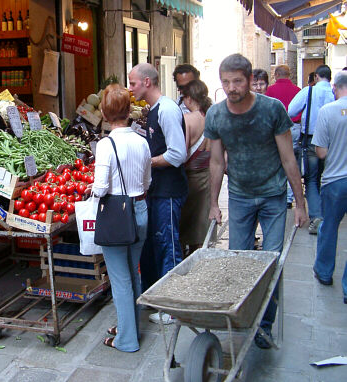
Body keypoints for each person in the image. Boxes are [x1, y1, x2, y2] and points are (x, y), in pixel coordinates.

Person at [205, 54, 307, 349]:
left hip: (273, 194)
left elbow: (288, 158)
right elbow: (215, 162)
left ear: (250, 80)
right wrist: (214, 203)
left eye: (237, 81)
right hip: (239, 194)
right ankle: (243, 316)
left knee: (271, 262)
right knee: (239, 260)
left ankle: (264, 324)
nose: (231, 87)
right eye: (225, 82)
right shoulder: (216, 115)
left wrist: (300, 205)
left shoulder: (272, 109)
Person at [91, 84, 151, 352]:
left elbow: (101, 188)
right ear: (129, 111)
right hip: (140, 210)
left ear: (104, 112)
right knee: (133, 271)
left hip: (116, 216)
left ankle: (127, 340)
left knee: (120, 278)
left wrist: (92, 192)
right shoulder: (141, 141)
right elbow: (147, 180)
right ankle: (130, 326)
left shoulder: (106, 144)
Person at [129, 63, 188, 325]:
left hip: (170, 190)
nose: (130, 89)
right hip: (157, 190)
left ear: (147, 82)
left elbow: (177, 154)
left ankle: (174, 306)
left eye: (133, 83)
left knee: (169, 245)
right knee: (155, 243)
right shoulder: (152, 110)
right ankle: (156, 297)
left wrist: (146, 161)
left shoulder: (167, 110)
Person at [311, 70, 347, 303]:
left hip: (335, 180)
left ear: (335, 87)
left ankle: (324, 272)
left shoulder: (328, 111)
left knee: (329, 227)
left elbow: (321, 151)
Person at [289, 65, 335, 234]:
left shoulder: (309, 92)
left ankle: (317, 216)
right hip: (331, 141)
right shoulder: (335, 93)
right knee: (328, 177)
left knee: (311, 179)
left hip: (310, 140)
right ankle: (329, 215)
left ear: (316, 77)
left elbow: (292, 110)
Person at [179, 79, 214, 256]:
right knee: (202, 223)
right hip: (207, 176)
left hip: (190, 178)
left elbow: (181, 153)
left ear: (190, 98)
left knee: (188, 223)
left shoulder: (187, 120)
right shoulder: (211, 117)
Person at [266, 65, 302, 209]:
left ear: (275, 75)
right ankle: (289, 197)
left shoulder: (270, 90)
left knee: (278, 160)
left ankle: (280, 191)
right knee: (291, 160)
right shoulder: (298, 91)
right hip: (294, 127)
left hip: (275, 130)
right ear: (289, 75)